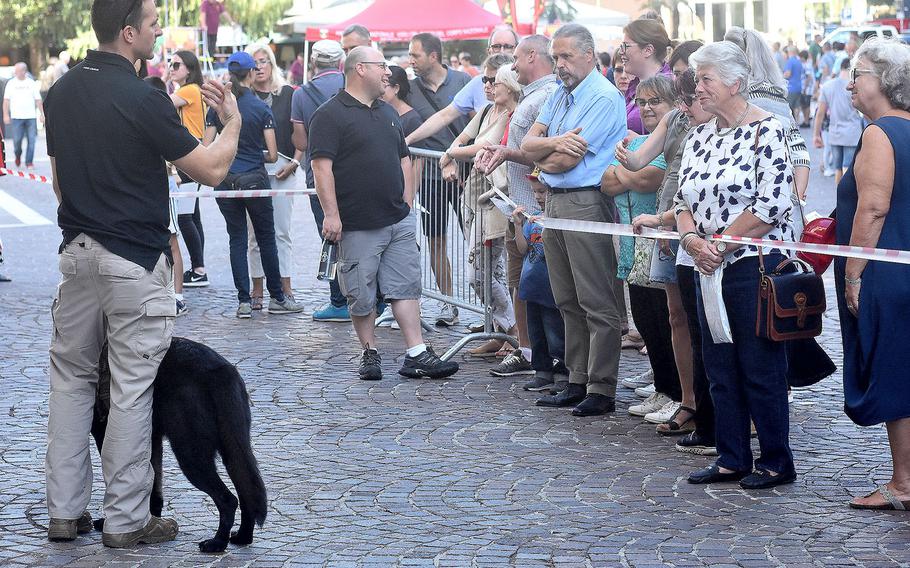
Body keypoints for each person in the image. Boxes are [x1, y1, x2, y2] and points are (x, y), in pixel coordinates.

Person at [44, 0, 242, 546]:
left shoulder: (59, 92)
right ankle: (128, 521)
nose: (158, 32)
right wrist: (235, 124)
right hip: (132, 258)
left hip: (76, 254)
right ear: (129, 32)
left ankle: (65, 512)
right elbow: (211, 168)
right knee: (133, 390)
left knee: (70, 386)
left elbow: (60, 186)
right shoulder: (143, 96)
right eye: (153, 24)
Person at [675, 42, 796, 490]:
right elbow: (681, 198)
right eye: (695, 78)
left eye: (705, 78)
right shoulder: (700, 135)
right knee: (719, 364)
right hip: (706, 264)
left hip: (753, 266)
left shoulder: (770, 131)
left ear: (734, 84)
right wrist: (692, 239)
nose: (697, 87)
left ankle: (776, 461)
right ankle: (731, 456)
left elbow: (771, 205)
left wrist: (720, 245)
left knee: (760, 365)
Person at [309, 46, 459, 381]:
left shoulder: (388, 112)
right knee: (360, 293)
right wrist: (331, 215)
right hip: (357, 223)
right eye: (382, 67)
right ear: (360, 69)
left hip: (396, 220)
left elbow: (404, 158)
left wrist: (406, 201)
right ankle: (369, 352)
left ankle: (417, 353)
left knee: (405, 286)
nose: (389, 73)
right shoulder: (329, 114)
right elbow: (322, 168)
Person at [522, 23, 627, 417]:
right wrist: (548, 146)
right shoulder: (560, 94)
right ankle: (576, 377)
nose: (560, 65)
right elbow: (528, 145)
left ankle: (601, 386)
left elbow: (566, 160)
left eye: (566, 56)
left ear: (589, 54)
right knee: (566, 296)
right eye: (556, 57)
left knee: (596, 299)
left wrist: (542, 151)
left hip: (585, 202)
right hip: (555, 202)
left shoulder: (602, 96)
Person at [834, 38, 910, 511]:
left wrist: (853, 273)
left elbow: (875, 207)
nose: (849, 82)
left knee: (893, 373)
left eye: (857, 72)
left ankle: (903, 481)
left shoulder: (879, 134)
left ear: (882, 80)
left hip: (886, 274)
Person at [629, 69, 718, 452]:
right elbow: (647, 168)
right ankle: (690, 401)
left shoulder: (726, 128)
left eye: (692, 96)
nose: (687, 105)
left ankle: (717, 412)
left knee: (707, 324)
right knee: (679, 318)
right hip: (676, 226)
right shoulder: (683, 123)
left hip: (705, 236)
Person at [475, 34, 559, 376]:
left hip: (537, 210)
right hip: (519, 209)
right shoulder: (533, 95)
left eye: (517, 58)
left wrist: (508, 152)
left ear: (532, 56)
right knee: (521, 285)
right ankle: (529, 351)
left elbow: (545, 152)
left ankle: (548, 356)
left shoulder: (548, 95)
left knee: (540, 290)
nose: (511, 66)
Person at [602, 75, 681, 424]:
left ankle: (678, 393)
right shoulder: (638, 144)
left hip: (660, 247)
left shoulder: (665, 145)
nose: (647, 108)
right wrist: (627, 171)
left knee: (666, 322)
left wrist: (624, 171)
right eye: (642, 102)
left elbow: (651, 179)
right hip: (632, 247)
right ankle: (662, 388)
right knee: (646, 321)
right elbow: (606, 182)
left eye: (655, 102)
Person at [203, 51, 303, 318]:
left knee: (237, 239)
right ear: (250, 74)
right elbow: (271, 154)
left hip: (225, 180)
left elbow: (205, 145)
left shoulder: (218, 106)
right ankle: (278, 298)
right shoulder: (261, 108)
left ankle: (244, 302)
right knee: (267, 238)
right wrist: (252, 153)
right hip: (254, 178)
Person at [440, 56, 519, 365]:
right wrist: (452, 154)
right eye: (485, 81)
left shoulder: (510, 114)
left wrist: (449, 154)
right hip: (477, 199)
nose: (486, 86)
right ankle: (501, 332)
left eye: (492, 81)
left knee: (480, 273)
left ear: (508, 85)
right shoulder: (487, 110)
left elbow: (480, 147)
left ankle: (512, 330)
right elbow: (463, 138)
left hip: (496, 199)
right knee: (489, 271)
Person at [407, 32, 472, 327]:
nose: (411, 61)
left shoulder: (463, 82)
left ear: (433, 56)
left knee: (474, 240)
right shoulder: (409, 89)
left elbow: (478, 124)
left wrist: (460, 158)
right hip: (431, 176)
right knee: (435, 239)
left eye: (415, 55)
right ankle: (448, 303)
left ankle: (491, 307)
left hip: (465, 173)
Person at [290, 39, 347, 321]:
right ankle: (376, 301)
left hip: (319, 174)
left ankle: (339, 301)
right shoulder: (352, 84)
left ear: (312, 62)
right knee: (368, 236)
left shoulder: (301, 94)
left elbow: (300, 141)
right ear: (340, 62)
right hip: (355, 171)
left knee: (331, 238)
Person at [725, 27, 811, 205]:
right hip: (778, 199)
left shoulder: (746, 97)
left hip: (753, 201)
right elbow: (799, 151)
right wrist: (795, 199)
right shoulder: (775, 95)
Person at [247, 42, 301, 308]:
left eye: (263, 61)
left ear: (271, 63)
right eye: (254, 62)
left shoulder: (288, 94)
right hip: (252, 169)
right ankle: (257, 289)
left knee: (282, 231)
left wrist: (294, 163)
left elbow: (301, 134)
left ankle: (285, 288)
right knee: (254, 233)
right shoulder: (243, 97)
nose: (259, 67)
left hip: (285, 167)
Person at [405, 26, 519, 146]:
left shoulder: (526, 82)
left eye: (507, 47)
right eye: (496, 46)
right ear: (489, 50)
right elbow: (445, 116)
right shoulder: (477, 84)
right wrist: (408, 139)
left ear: (516, 49)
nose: (501, 51)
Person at [512, 169, 568, 392]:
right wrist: (518, 226)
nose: (537, 196)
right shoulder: (532, 219)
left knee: (557, 333)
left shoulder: (558, 221)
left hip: (552, 287)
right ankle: (542, 371)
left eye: (542, 191)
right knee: (537, 333)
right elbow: (523, 249)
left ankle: (562, 371)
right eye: (535, 192)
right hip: (532, 286)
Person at [166, 50, 210, 290]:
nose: (172, 68)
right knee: (193, 215)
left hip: (188, 155)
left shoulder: (188, 90)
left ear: (190, 69)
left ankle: (199, 269)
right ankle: (199, 268)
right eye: (170, 64)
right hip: (195, 152)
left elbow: (160, 104)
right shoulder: (191, 90)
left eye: (176, 65)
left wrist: (164, 78)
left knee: (184, 216)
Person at [813, 58, 863, 185]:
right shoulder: (855, 86)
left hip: (834, 132)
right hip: (852, 132)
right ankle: (846, 199)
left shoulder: (828, 86)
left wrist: (816, 134)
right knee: (848, 165)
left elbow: (820, 113)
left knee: (837, 168)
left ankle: (840, 198)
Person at [619, 18, 673, 135]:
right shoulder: (633, 86)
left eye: (625, 46)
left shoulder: (669, 86)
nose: (620, 52)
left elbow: (674, 134)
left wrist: (640, 141)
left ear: (648, 50)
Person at [3, 62, 43, 169]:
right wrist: (5, 115)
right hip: (16, 117)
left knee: (32, 141)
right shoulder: (11, 83)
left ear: (24, 71)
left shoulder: (31, 83)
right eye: (15, 70)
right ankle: (17, 156)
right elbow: (6, 101)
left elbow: (38, 100)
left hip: (30, 117)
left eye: (17, 70)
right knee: (17, 142)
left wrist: (42, 114)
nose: (15, 72)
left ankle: (29, 162)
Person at [382, 65, 423, 137]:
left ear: (396, 88)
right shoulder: (381, 112)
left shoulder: (412, 120)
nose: (380, 90)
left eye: (385, 86)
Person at [782, 46, 804, 122]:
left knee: (789, 106)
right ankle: (797, 121)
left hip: (791, 87)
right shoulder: (798, 61)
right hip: (798, 86)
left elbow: (788, 74)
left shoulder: (790, 61)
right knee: (797, 106)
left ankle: (791, 122)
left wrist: (781, 77)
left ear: (789, 52)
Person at [799, 50, 815, 128]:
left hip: (807, 89)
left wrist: (805, 88)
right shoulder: (805, 64)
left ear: (802, 57)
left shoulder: (807, 65)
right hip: (805, 88)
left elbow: (809, 77)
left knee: (806, 105)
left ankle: (806, 121)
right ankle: (806, 120)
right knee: (803, 105)